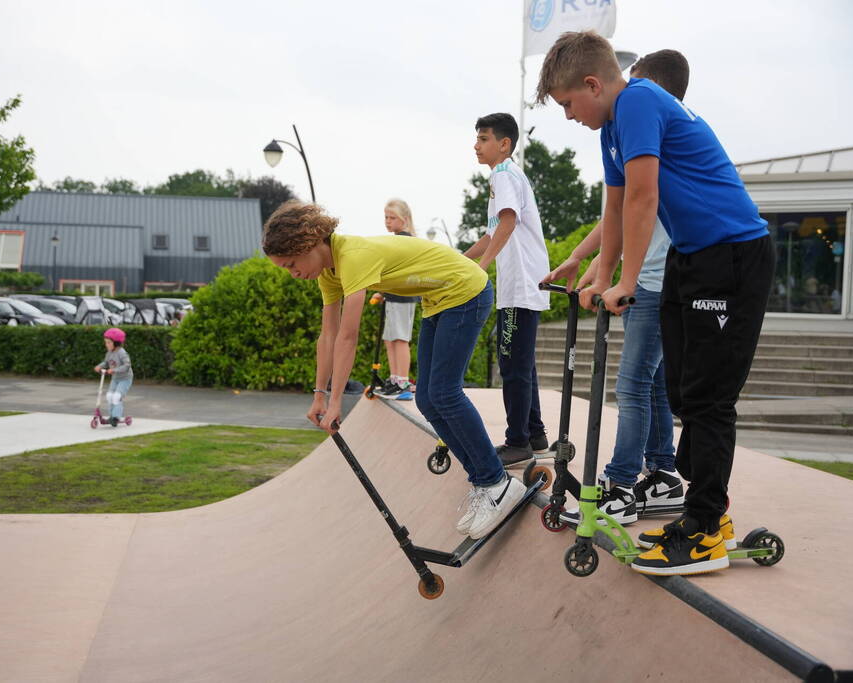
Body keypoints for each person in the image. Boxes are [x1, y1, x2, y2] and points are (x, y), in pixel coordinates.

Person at [538, 32, 775, 576]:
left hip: (733, 255)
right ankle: (698, 505)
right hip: (691, 260)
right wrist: (599, 272)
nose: (569, 116)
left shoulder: (640, 100)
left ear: (593, 84)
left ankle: (707, 527)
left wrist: (622, 281)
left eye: (569, 103)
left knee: (710, 399)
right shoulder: (611, 127)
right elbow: (617, 207)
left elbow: (647, 196)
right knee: (681, 392)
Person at [263, 200, 525, 539]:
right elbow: (327, 335)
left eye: (292, 264)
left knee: (445, 393)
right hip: (439, 300)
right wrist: (319, 395)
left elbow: (348, 335)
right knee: (429, 401)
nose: (293, 273)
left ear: (309, 245)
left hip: (465, 290)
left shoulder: (352, 256)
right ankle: (486, 484)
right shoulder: (329, 272)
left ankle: (498, 484)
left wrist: (337, 402)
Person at [546, 50, 690, 527]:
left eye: (635, 82)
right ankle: (663, 473)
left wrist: (619, 280)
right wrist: (585, 261)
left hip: (654, 283)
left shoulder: (646, 122)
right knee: (649, 386)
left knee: (632, 385)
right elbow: (614, 212)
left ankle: (622, 483)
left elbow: (636, 205)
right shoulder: (636, 133)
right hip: (648, 281)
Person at [463, 113, 550, 468]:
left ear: (504, 144)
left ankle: (518, 442)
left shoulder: (503, 174)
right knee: (520, 362)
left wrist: (481, 270)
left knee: (513, 364)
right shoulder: (505, 177)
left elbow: (509, 221)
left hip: (521, 284)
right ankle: (535, 433)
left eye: (483, 139)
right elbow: (491, 233)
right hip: (521, 284)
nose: (476, 145)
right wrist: (460, 261)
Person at [373, 198, 421, 401]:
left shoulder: (405, 239)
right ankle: (395, 378)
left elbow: (400, 270)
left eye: (392, 217)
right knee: (389, 338)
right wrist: (382, 292)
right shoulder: (397, 239)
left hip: (403, 296)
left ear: (405, 219)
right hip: (394, 295)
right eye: (386, 217)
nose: (388, 221)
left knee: (400, 338)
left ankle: (403, 382)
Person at [93, 327, 133, 426]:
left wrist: (114, 370)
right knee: (109, 396)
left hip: (125, 379)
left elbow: (127, 366)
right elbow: (106, 362)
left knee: (116, 397)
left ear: (116, 343)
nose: (106, 345)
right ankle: (112, 416)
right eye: (106, 342)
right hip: (115, 379)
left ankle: (116, 417)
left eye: (108, 342)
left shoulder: (122, 353)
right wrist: (99, 366)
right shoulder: (109, 353)